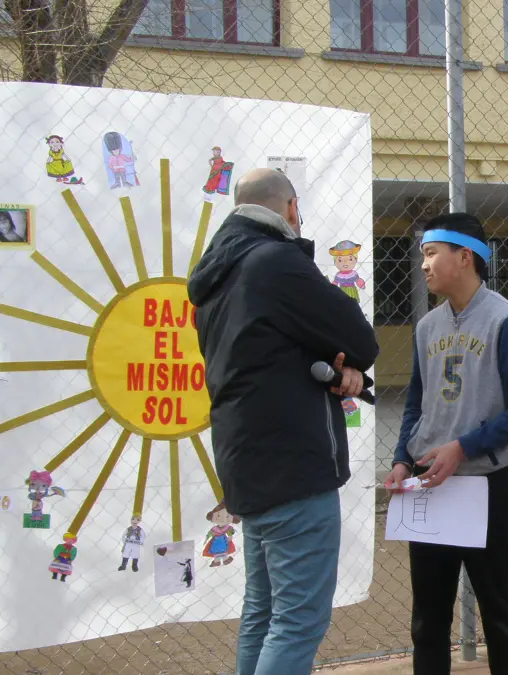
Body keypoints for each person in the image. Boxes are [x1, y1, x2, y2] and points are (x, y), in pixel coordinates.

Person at [188, 167, 379, 675]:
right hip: (294, 465)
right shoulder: (276, 261)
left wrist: (331, 363)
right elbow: (360, 339)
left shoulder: (217, 276)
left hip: (247, 463)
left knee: (263, 610)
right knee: (297, 621)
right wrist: (344, 362)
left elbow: (269, 351)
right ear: (291, 208)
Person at [382, 212, 508, 675]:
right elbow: (416, 405)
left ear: (465, 257)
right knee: (427, 619)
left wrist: (464, 447)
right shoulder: (426, 326)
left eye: (432, 253)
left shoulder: (506, 320)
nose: (423, 265)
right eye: (423, 255)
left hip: (484, 487)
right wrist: (401, 459)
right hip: (430, 486)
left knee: (499, 613)